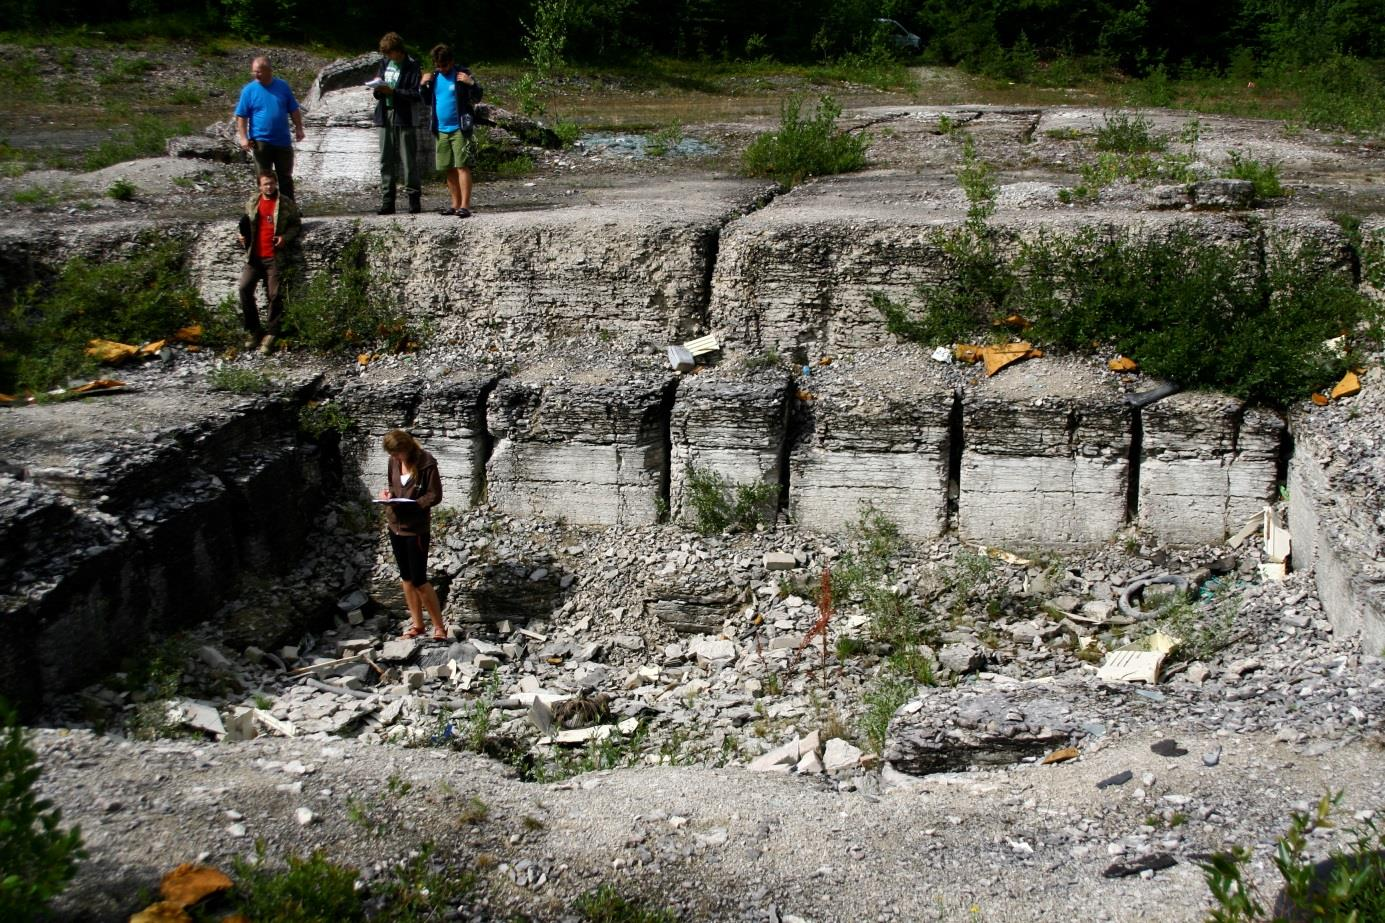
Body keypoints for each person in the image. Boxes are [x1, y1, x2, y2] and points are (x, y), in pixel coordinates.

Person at [379, 429, 449, 641]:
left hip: (416, 528)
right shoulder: (393, 461)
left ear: (406, 448)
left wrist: (415, 505)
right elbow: (392, 485)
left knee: (419, 579)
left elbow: (435, 495)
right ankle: (417, 625)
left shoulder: (426, 462)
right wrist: (388, 495)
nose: (394, 458)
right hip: (395, 525)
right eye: (391, 455)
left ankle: (439, 627)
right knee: (406, 577)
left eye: (397, 453)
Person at [236, 172, 301, 354]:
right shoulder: (253, 202)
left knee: (275, 294)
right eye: (265, 184)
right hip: (254, 257)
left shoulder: (285, 203)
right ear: (259, 186)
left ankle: (271, 333)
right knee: (244, 288)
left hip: (274, 256)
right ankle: (254, 330)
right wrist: (241, 236)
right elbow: (245, 223)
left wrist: (284, 238)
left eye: (271, 183)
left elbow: (296, 224)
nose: (269, 187)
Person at [419, 44, 482, 218]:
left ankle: (465, 205)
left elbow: (477, 97)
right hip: (441, 129)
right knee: (448, 167)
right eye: (438, 65)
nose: (441, 69)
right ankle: (454, 204)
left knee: (462, 165)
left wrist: (471, 84)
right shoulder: (434, 77)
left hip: (460, 128)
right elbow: (426, 100)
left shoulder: (462, 75)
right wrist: (423, 85)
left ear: (451, 62)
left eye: (444, 65)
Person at [234, 56, 306, 201]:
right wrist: (243, 137)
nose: (256, 75)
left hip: (282, 140)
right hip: (259, 140)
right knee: (263, 177)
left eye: (259, 72)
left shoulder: (282, 86)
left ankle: (288, 209)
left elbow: (293, 109)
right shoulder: (249, 90)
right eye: (254, 72)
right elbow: (241, 116)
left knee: (285, 176)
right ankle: (265, 209)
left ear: (268, 71)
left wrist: (299, 128)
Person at [371, 32, 423, 215]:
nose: (387, 57)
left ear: (398, 51)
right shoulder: (385, 64)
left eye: (389, 53)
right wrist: (378, 89)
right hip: (385, 114)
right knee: (386, 159)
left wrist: (393, 91)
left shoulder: (412, 66)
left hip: (404, 117)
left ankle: (413, 198)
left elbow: (416, 94)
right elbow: (379, 89)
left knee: (408, 159)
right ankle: (388, 201)